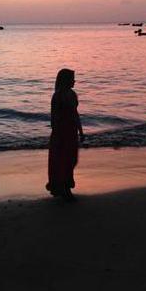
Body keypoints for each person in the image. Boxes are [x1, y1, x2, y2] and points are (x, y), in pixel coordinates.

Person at [46, 68, 85, 201]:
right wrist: (57, 134)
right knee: (62, 160)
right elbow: (54, 116)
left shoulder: (73, 94)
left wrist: (81, 131)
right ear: (65, 80)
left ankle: (64, 186)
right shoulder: (58, 95)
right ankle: (64, 189)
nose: (74, 81)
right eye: (72, 78)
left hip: (71, 131)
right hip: (61, 132)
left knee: (71, 159)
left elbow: (75, 114)